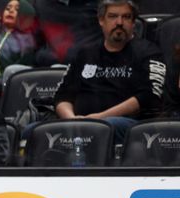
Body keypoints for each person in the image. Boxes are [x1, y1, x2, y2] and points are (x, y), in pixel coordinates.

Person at [53, 0, 166, 144]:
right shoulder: (85, 53)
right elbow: (62, 96)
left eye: (126, 17)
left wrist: (99, 118)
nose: (119, 22)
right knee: (33, 131)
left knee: (106, 127)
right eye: (113, 16)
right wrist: (72, 121)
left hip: (127, 125)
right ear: (101, 20)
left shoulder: (149, 52)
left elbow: (149, 96)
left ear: (133, 22)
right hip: (80, 124)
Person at [0, 0, 37, 84]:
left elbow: (20, 73)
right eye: (8, 8)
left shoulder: (28, 41)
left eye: (17, 9)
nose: (11, 11)